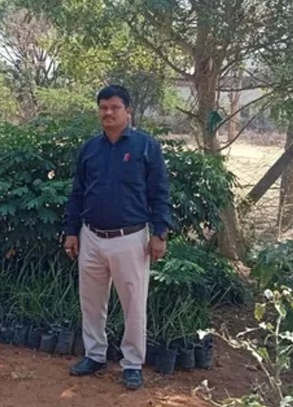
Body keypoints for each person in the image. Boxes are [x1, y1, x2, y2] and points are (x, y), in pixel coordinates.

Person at [63, 84, 172, 390]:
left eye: (114, 107)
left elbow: (160, 192)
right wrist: (71, 231)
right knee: (91, 302)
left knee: (134, 304)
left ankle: (132, 363)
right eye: (103, 108)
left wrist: (160, 233)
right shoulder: (90, 149)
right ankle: (94, 355)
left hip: (130, 238)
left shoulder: (145, 147)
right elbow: (78, 192)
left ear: (128, 111)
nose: (108, 113)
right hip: (91, 236)